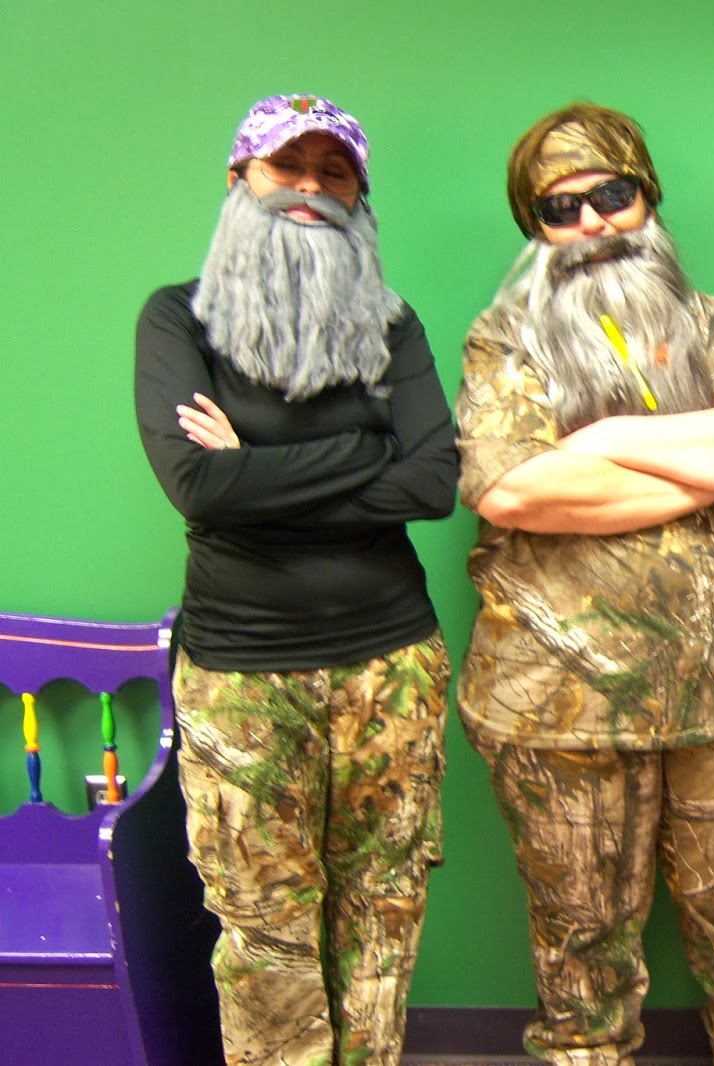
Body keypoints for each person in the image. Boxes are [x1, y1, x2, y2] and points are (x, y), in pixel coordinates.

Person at [454, 102, 714, 1066]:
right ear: (536, 229)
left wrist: (604, 440)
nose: (592, 223)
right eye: (561, 209)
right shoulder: (503, 340)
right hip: (556, 703)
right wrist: (703, 467)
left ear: (648, 198)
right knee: (580, 947)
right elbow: (514, 489)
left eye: (612, 195)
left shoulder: (710, 325)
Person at [133, 94, 458, 1065]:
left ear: (359, 196)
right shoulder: (177, 319)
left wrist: (256, 471)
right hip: (241, 673)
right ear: (240, 180)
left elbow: (434, 483)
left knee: (383, 913)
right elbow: (198, 485)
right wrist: (367, 450)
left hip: (391, 664)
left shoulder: (392, 328)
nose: (309, 187)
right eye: (287, 166)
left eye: (334, 171)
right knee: (263, 926)